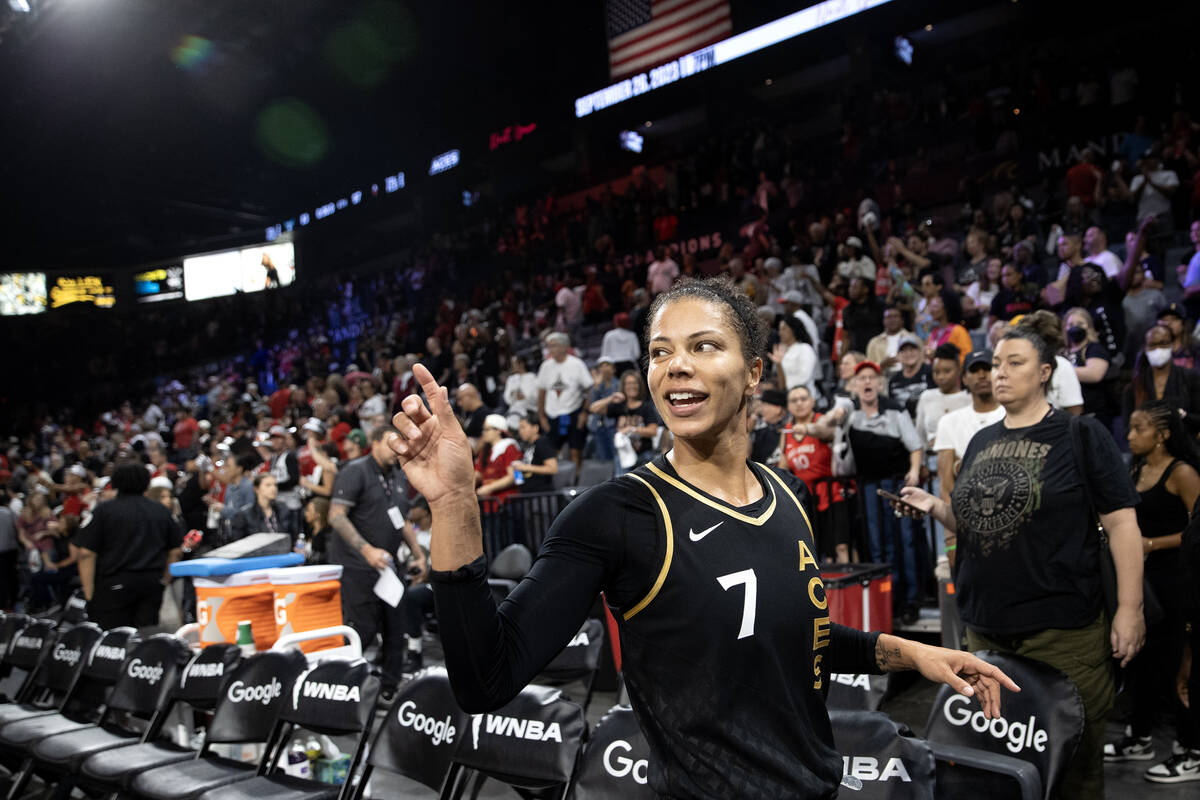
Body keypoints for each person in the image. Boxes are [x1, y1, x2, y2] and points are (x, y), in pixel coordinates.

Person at [391, 276, 1017, 798]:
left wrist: (914, 655)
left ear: (753, 372)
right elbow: (485, 678)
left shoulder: (788, 496)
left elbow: (795, 634)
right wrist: (453, 507)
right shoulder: (617, 513)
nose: (676, 365)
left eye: (703, 345)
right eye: (660, 351)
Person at [896, 316, 1145, 800]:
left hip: (1061, 634)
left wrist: (1130, 610)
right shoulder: (982, 440)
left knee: (1072, 770)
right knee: (996, 770)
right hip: (986, 634)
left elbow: (1122, 524)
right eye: (995, 364)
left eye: (1016, 363)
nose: (1000, 373)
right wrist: (939, 509)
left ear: (1046, 371)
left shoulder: (1080, 434)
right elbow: (982, 520)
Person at [1104, 401, 1200, 776]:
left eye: (1138, 429)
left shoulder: (1183, 473)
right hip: (1141, 582)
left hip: (1176, 581)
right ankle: (1139, 736)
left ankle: (1190, 747)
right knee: (1140, 662)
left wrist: (1151, 544)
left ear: (1161, 435)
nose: (1129, 437)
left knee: (1179, 665)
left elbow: (1195, 533)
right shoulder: (1135, 469)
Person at [329, 425, 427, 697]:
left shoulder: (397, 476)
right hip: (358, 566)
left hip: (389, 568)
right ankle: (342, 687)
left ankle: (388, 689)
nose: (397, 448)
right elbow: (336, 516)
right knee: (364, 628)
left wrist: (418, 553)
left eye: (400, 443)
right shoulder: (356, 471)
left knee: (397, 629)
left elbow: (402, 520)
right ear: (373, 442)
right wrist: (366, 550)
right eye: (390, 442)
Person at [75, 461, 183, 630]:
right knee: (145, 638)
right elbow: (175, 551)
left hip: (114, 585)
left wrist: (89, 593)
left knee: (113, 641)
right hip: (151, 584)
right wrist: (164, 580)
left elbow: (86, 553)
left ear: (116, 482)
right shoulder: (161, 511)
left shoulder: (104, 511)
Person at [781, 385, 849, 562]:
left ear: (812, 402)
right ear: (788, 406)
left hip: (831, 492)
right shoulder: (787, 431)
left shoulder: (821, 421)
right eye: (794, 400)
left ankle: (848, 587)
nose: (799, 403)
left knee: (841, 546)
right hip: (806, 498)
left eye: (803, 398)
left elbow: (826, 432)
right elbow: (783, 466)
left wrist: (807, 429)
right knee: (814, 550)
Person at [934, 350, 1004, 507]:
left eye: (987, 369)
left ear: (997, 373)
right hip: (967, 510)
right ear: (964, 378)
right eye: (974, 370)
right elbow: (946, 484)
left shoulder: (1014, 415)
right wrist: (951, 529)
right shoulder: (948, 422)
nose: (981, 375)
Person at [1123, 322, 1200, 436]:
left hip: (1185, 446)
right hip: (1147, 449)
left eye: (1163, 343)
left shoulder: (1191, 378)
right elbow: (1127, 429)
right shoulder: (1134, 387)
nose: (1158, 349)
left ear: (1172, 345)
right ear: (1145, 348)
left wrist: (1182, 416)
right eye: (1153, 345)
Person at [536, 332, 593, 474]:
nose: (550, 349)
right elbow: (541, 393)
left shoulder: (576, 364)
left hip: (574, 412)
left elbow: (589, 388)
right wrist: (541, 416)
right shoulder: (545, 366)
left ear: (564, 347)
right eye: (549, 346)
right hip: (552, 414)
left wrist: (584, 413)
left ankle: (576, 480)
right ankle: (558, 481)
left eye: (554, 346)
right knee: (552, 452)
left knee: (576, 451)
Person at [1063, 307, 1115, 430]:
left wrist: (1061, 370)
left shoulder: (1094, 348)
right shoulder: (1062, 351)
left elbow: (1094, 374)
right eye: (1070, 324)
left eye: (1080, 324)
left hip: (1094, 414)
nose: (1075, 327)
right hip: (1068, 415)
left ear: (1089, 326)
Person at [607, 370, 664, 475]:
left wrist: (632, 429)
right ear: (623, 386)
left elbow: (653, 431)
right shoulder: (618, 406)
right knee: (622, 489)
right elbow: (593, 409)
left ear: (640, 385)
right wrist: (611, 398)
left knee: (643, 489)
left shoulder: (646, 407)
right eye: (628, 383)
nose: (632, 386)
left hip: (643, 456)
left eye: (635, 383)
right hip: (623, 456)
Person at [231, 473, 295, 542]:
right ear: (256, 489)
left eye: (275, 485)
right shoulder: (244, 515)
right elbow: (238, 543)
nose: (273, 488)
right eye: (268, 485)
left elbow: (292, 534)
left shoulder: (283, 509)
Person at [768, 315, 817, 397]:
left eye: (784, 329)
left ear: (793, 329)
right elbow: (778, 379)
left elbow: (804, 377)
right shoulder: (781, 350)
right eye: (779, 329)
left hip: (804, 396)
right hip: (786, 396)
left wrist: (785, 388)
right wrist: (778, 364)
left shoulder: (805, 348)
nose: (780, 333)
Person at [888, 334, 933, 415]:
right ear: (898, 355)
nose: (908, 353)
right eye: (904, 350)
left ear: (919, 352)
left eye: (912, 349)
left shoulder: (931, 373)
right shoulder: (893, 381)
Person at [924, 290, 972, 365]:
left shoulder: (958, 331)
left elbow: (967, 358)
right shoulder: (934, 332)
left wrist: (938, 355)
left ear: (946, 307)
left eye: (935, 306)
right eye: (930, 306)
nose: (931, 310)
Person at [502, 354, 539, 431]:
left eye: (514, 364)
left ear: (521, 364)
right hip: (514, 408)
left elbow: (536, 396)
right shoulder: (511, 379)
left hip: (529, 408)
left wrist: (525, 397)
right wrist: (513, 395)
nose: (513, 367)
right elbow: (507, 398)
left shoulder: (532, 377)